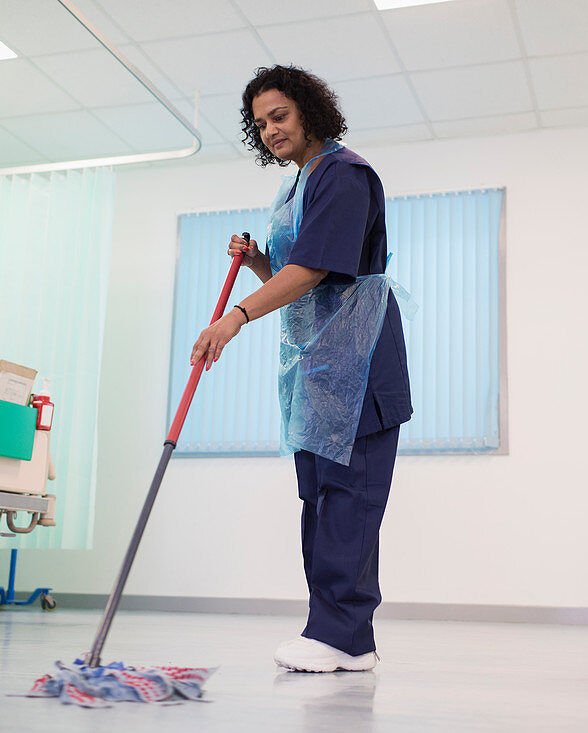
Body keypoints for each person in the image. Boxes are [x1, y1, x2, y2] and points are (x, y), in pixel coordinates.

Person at [190, 65, 412, 673]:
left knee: (348, 501)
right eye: (260, 123)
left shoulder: (343, 175)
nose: (270, 130)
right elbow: (304, 276)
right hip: (320, 370)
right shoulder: (298, 185)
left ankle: (338, 634)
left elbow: (316, 270)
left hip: (358, 365)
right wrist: (263, 264)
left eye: (280, 115)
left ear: (310, 111)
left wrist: (235, 316)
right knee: (320, 498)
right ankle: (348, 639)